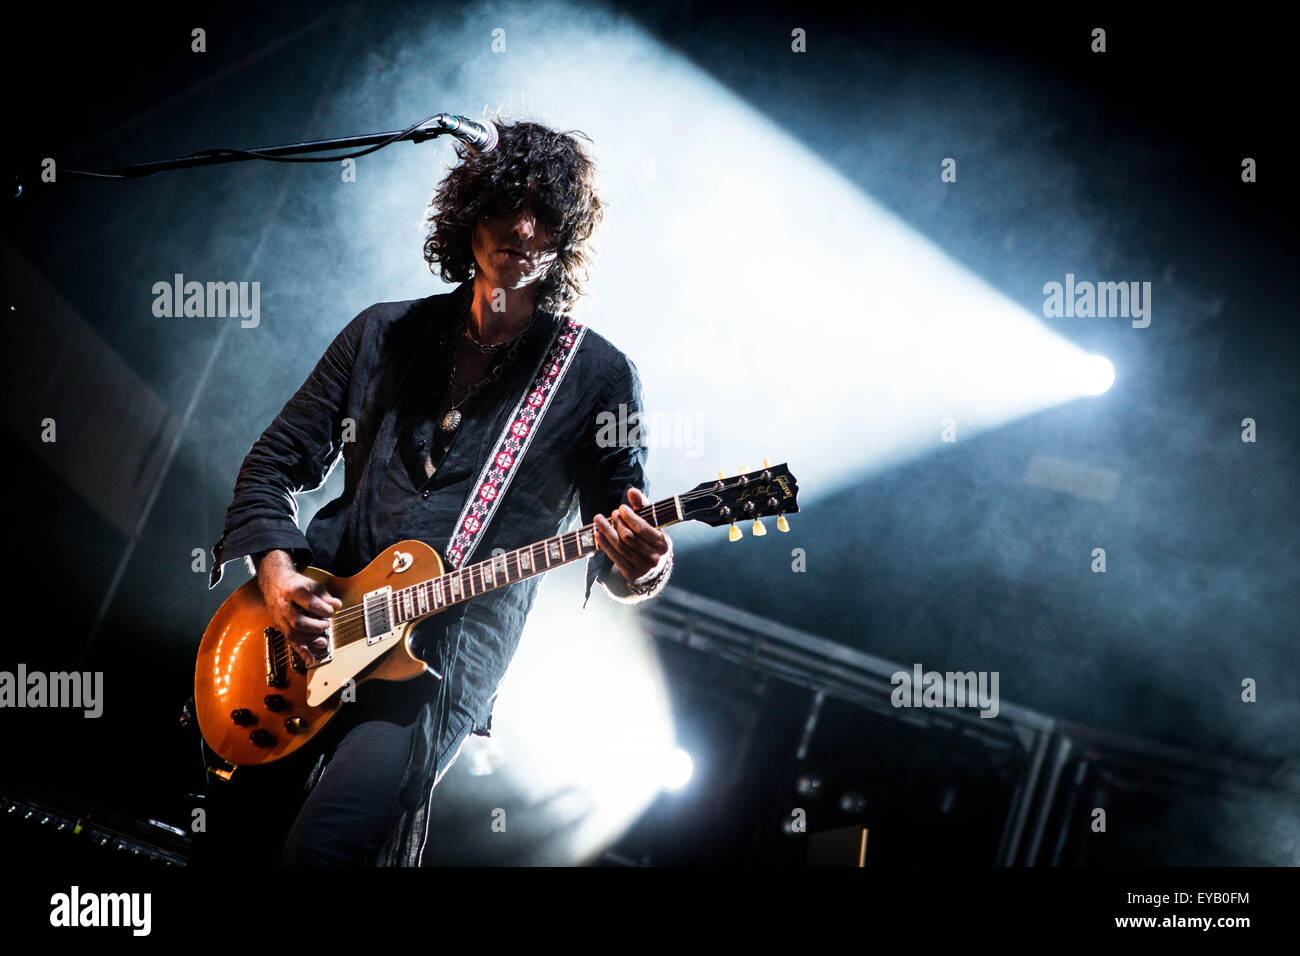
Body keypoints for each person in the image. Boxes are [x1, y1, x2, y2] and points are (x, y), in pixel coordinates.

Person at [194, 117, 673, 866]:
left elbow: (621, 539)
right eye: (506, 204)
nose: (521, 228)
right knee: (230, 850)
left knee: (325, 851)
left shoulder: (597, 377)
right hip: (305, 636)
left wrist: (645, 565)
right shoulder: (384, 334)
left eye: (545, 216)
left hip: (437, 668)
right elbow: (274, 462)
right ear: (467, 213)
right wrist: (281, 578)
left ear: (567, 236)